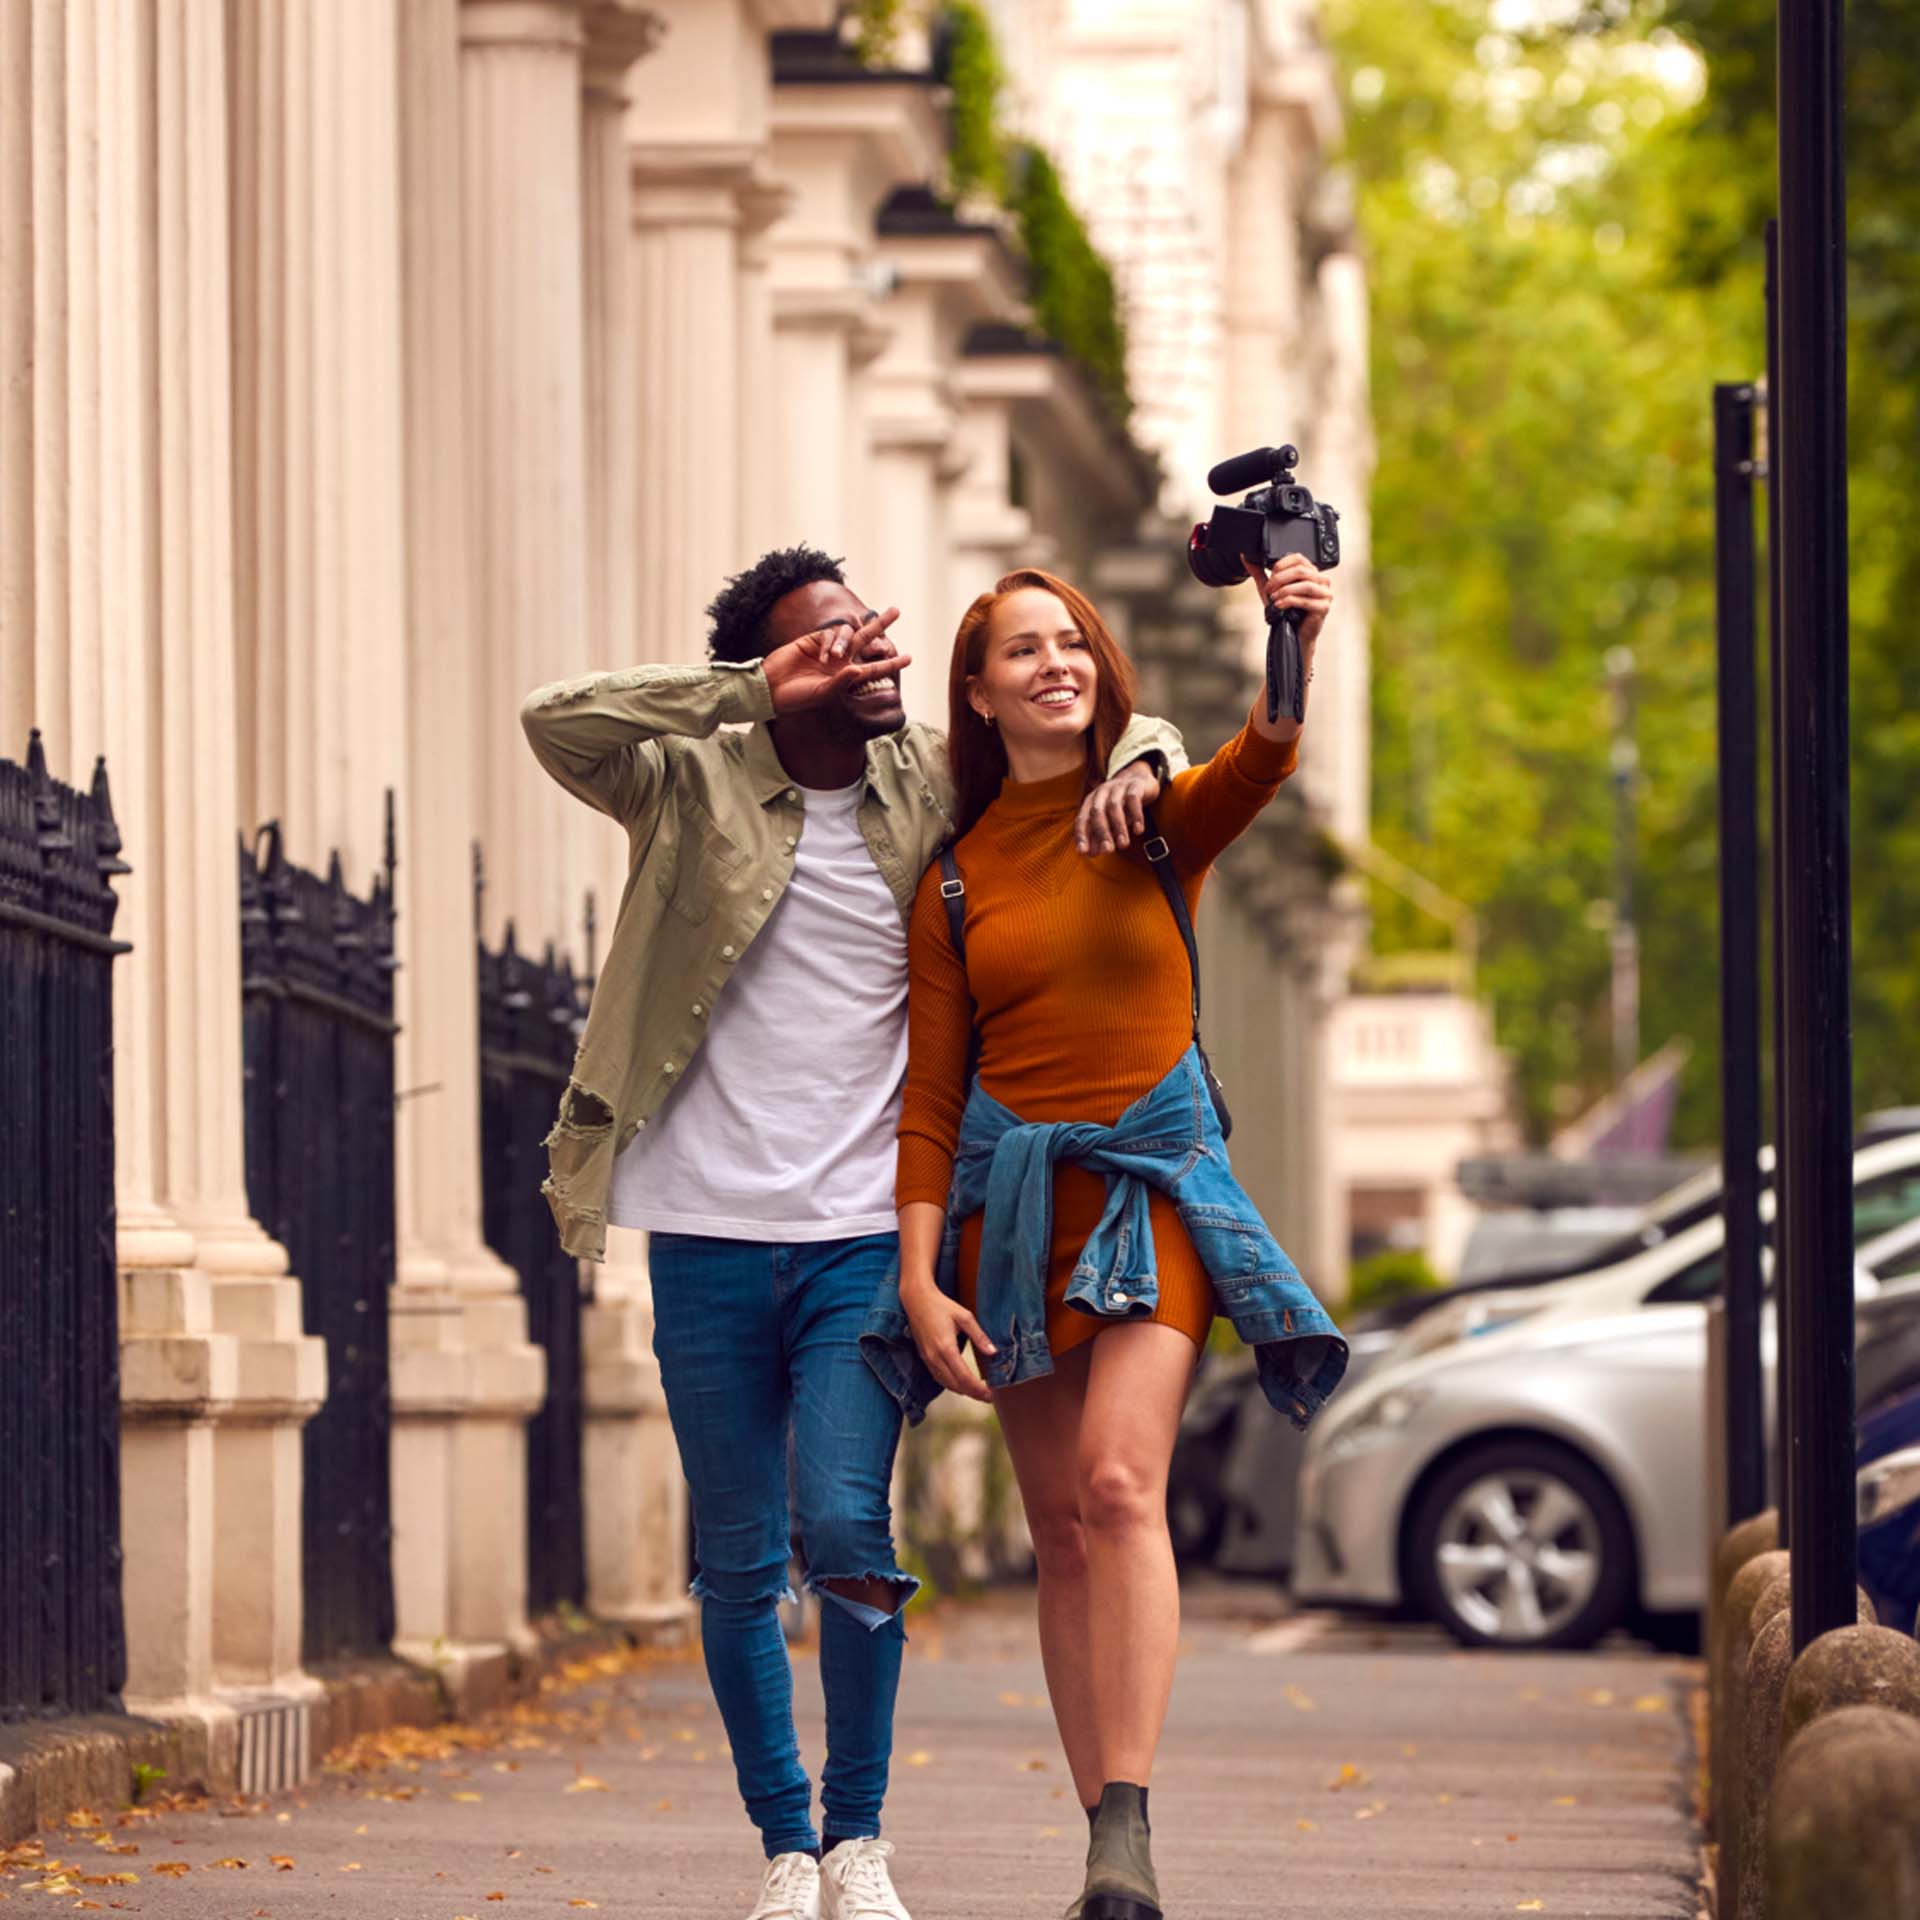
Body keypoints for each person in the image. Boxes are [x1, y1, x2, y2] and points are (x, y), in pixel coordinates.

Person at [520, 546, 1186, 1920]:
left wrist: (1153, 761)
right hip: (700, 1225)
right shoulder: (685, 776)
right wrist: (753, 689)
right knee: (740, 1555)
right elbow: (558, 721)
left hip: (864, 1236)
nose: (868, 658)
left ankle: (859, 1837)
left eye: (873, 635)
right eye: (834, 645)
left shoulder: (929, 784)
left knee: (845, 1524)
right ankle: (782, 1849)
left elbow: (1095, 728)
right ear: (774, 671)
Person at [864, 556, 1350, 1920]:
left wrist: (1290, 634)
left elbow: (1262, 755)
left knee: (1123, 1487)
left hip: (1154, 1191)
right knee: (1064, 1528)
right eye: (1022, 650)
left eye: (1071, 642)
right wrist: (916, 1274)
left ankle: (1127, 1833)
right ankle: (1098, 1831)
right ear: (979, 691)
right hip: (1013, 1217)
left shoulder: (1154, 822)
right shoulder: (953, 884)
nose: (1053, 663)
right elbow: (931, 1095)